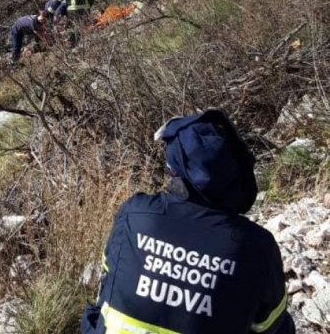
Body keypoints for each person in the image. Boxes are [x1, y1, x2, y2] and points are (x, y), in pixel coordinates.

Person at [81, 109, 295, 334]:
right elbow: (273, 328)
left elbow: (106, 290)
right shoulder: (256, 246)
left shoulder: (134, 214)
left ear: (174, 169)